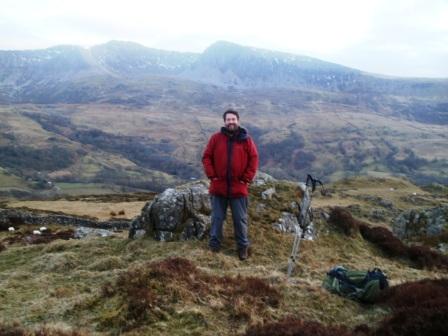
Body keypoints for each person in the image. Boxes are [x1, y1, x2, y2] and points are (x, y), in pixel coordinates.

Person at [202, 109, 259, 260]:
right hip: (218, 187)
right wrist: (212, 175)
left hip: (238, 188)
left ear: (238, 120)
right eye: (228, 119)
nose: (231, 122)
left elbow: (253, 159)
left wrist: (246, 179)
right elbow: (207, 157)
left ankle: (242, 248)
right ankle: (214, 246)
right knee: (217, 218)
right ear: (224, 122)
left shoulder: (246, 140)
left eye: (233, 119)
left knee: (240, 220)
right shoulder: (216, 138)